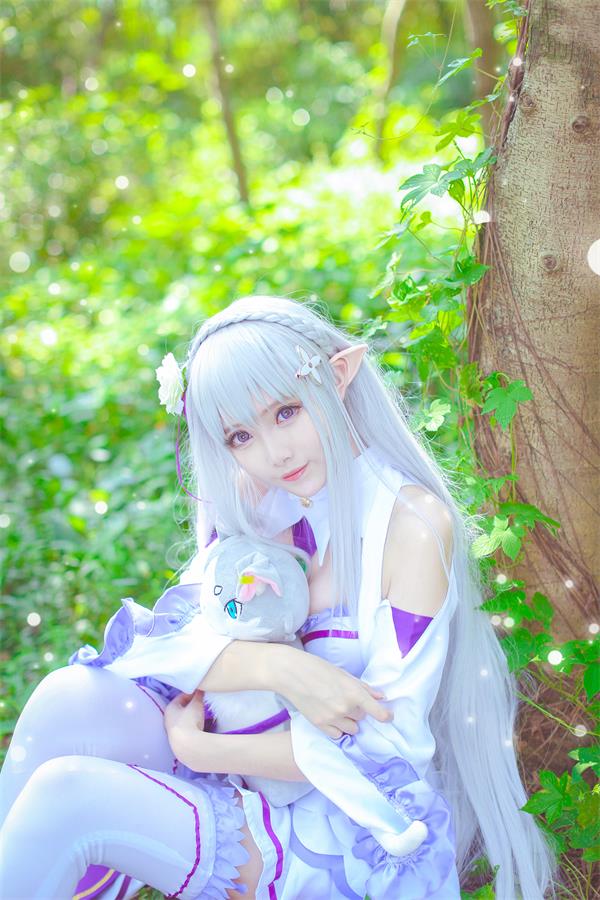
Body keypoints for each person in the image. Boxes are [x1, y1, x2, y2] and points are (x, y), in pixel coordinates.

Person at [0, 294, 558, 900]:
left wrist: (199, 748)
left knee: (68, 797)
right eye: (241, 434)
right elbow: (163, 645)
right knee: (69, 696)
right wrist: (279, 667)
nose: (274, 453)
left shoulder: (412, 526)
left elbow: (385, 744)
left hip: (334, 823)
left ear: (339, 376)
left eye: (286, 411)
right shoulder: (263, 500)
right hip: (242, 781)